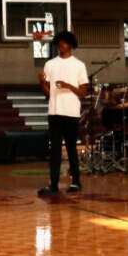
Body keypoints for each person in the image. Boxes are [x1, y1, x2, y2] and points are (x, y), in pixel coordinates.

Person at [37, 31, 89, 195]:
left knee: (71, 148)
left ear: (71, 45)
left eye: (65, 42)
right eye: (59, 42)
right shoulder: (50, 64)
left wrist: (68, 85)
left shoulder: (79, 65)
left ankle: (76, 182)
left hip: (71, 112)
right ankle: (53, 184)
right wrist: (41, 83)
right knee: (55, 149)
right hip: (54, 111)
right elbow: (47, 93)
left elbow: (83, 92)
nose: (61, 45)